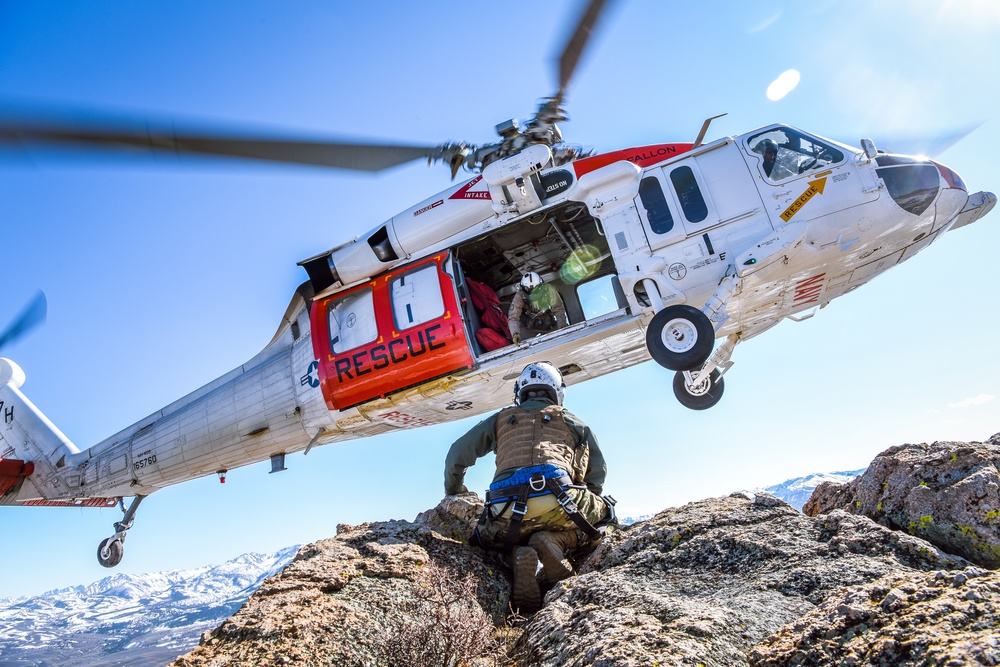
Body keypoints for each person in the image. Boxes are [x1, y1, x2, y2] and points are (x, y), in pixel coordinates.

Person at [443, 362, 615, 612]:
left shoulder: (500, 419)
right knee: (606, 515)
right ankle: (556, 540)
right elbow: (597, 470)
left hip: (506, 507)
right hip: (561, 499)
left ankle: (515, 557)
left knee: (490, 541)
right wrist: (585, 505)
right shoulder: (570, 419)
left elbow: (456, 454)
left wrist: (454, 492)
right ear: (557, 391)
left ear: (520, 391)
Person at [507, 272, 568, 344]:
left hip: (548, 324)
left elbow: (559, 309)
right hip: (530, 328)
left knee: (563, 339)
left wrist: (562, 327)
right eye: (529, 289)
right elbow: (513, 317)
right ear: (524, 289)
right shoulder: (519, 296)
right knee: (522, 345)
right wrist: (515, 333)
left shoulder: (549, 290)